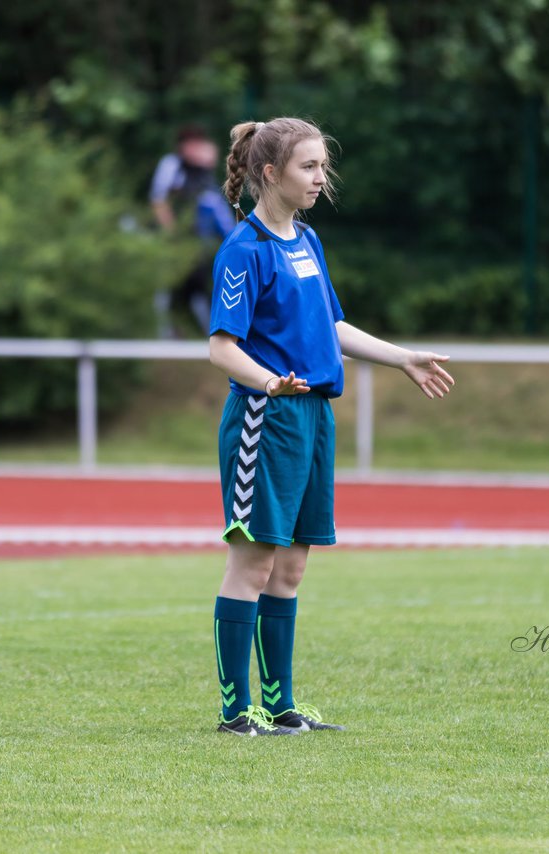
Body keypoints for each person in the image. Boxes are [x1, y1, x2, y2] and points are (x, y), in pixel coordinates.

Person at [206, 117, 456, 736]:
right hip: (267, 418)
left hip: (314, 415)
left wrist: (402, 357)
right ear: (271, 173)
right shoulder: (244, 249)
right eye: (309, 167)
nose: (322, 179)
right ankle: (237, 713)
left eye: (323, 167)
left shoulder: (307, 241)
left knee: (291, 567)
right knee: (254, 563)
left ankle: (281, 705)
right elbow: (221, 347)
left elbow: (332, 328)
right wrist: (268, 381)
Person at [149, 125, 236, 337]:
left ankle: (212, 334)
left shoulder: (205, 178)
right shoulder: (172, 165)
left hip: (202, 242)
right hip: (179, 240)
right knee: (175, 288)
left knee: (200, 286)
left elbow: (219, 214)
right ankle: (171, 333)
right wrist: (173, 234)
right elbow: (158, 200)